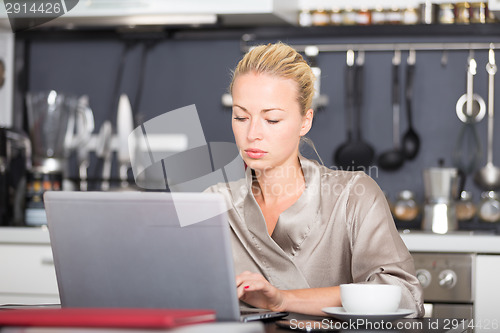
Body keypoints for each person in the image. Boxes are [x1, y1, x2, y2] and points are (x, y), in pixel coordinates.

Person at [205, 42, 424, 317]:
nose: (252, 133)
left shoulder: (353, 196)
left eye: (271, 119)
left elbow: (403, 295)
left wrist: (283, 300)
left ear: (305, 121)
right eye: (240, 117)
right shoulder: (215, 203)